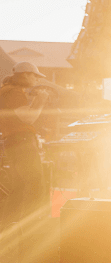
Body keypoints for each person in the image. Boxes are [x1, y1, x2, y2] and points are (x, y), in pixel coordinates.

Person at [0, 62, 50, 260]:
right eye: (36, 77)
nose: (37, 81)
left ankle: (10, 228)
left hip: (14, 142)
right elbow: (27, 119)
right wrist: (41, 100)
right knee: (34, 184)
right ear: (26, 75)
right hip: (21, 143)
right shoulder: (13, 92)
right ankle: (29, 230)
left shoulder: (8, 90)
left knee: (19, 188)